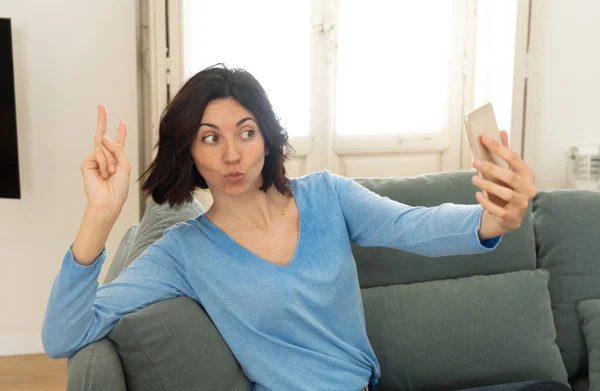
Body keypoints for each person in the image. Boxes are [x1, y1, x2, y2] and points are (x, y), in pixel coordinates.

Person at [42, 64, 565, 391]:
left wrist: (493, 217)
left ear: (267, 138)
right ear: (189, 153)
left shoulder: (326, 196)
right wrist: (101, 216)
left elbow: (414, 226)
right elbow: (66, 335)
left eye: (246, 132)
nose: (232, 155)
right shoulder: (182, 252)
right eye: (210, 138)